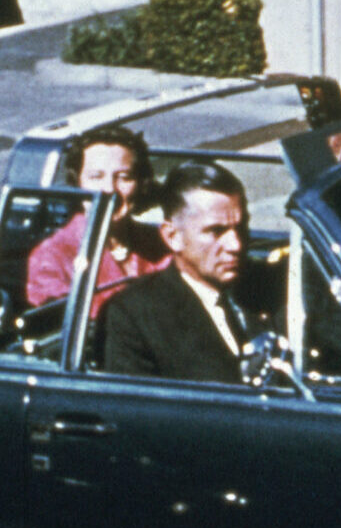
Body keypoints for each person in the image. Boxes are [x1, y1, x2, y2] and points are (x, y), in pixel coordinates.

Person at [97, 162, 269, 383]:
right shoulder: (136, 315)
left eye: (241, 227)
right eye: (216, 231)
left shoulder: (269, 286)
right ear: (173, 237)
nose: (235, 245)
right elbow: (140, 410)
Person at [24, 124, 169, 308]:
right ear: (77, 184)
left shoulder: (160, 243)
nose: (109, 189)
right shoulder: (54, 256)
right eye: (96, 177)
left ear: (140, 183)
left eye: (124, 177)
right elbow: (61, 325)